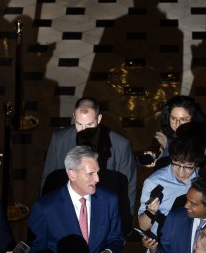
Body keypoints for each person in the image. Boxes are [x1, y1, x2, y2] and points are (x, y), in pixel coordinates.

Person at [40, 97, 137, 228]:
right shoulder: (59, 139)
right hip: (66, 215)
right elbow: (49, 180)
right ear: (74, 117)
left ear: (99, 119)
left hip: (103, 217)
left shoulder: (120, 145)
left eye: (89, 125)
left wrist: (124, 227)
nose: (84, 130)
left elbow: (129, 187)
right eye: (79, 124)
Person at [140, 95, 206, 168]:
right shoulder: (164, 133)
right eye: (173, 118)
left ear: (193, 119)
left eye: (183, 119)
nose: (177, 123)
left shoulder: (205, 137)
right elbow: (159, 141)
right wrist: (152, 152)